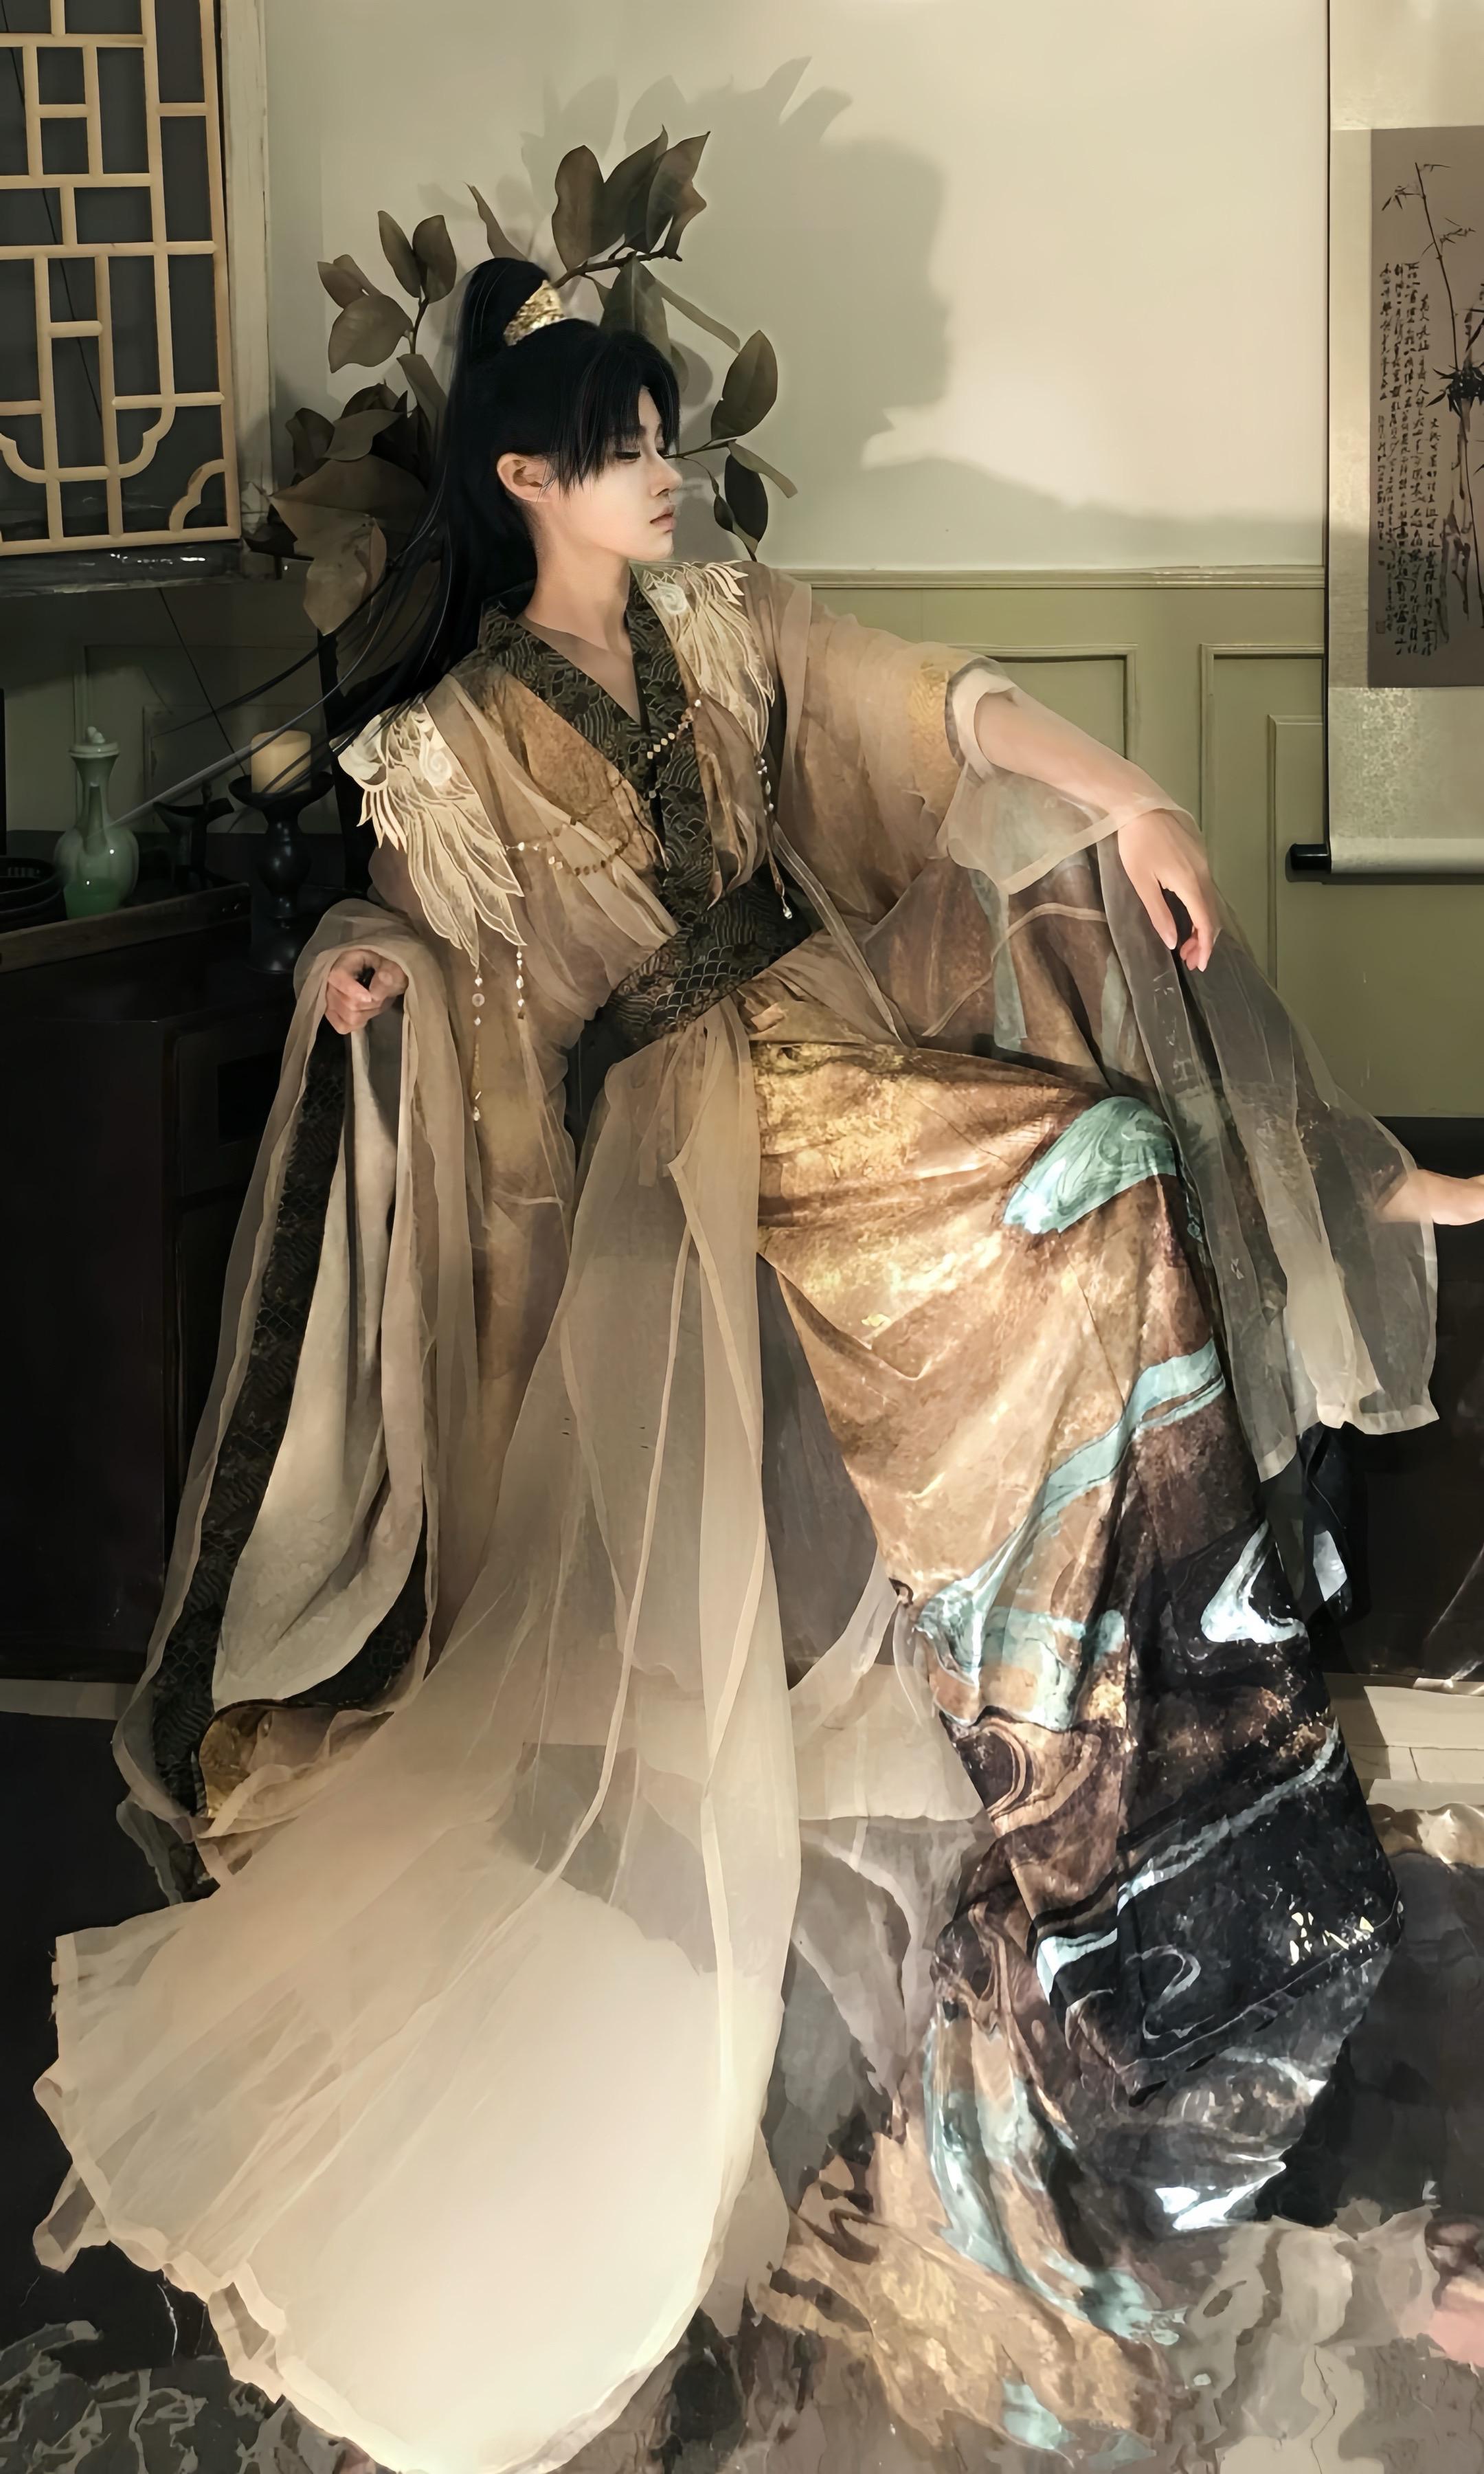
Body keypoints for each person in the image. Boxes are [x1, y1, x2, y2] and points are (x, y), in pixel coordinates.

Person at [30, 259, 1482, 2474]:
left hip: (831, 1024)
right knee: (1092, 1163)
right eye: (624, 449)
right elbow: (442, 950)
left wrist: (1137, 794)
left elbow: (937, 705)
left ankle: (1253, 1352)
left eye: (663, 440)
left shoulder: (727, 626)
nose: (665, 476)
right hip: (688, 1120)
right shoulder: (449, 743)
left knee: (1088, 1012)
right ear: (526, 477)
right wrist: (360, 970)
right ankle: (1105, 1570)